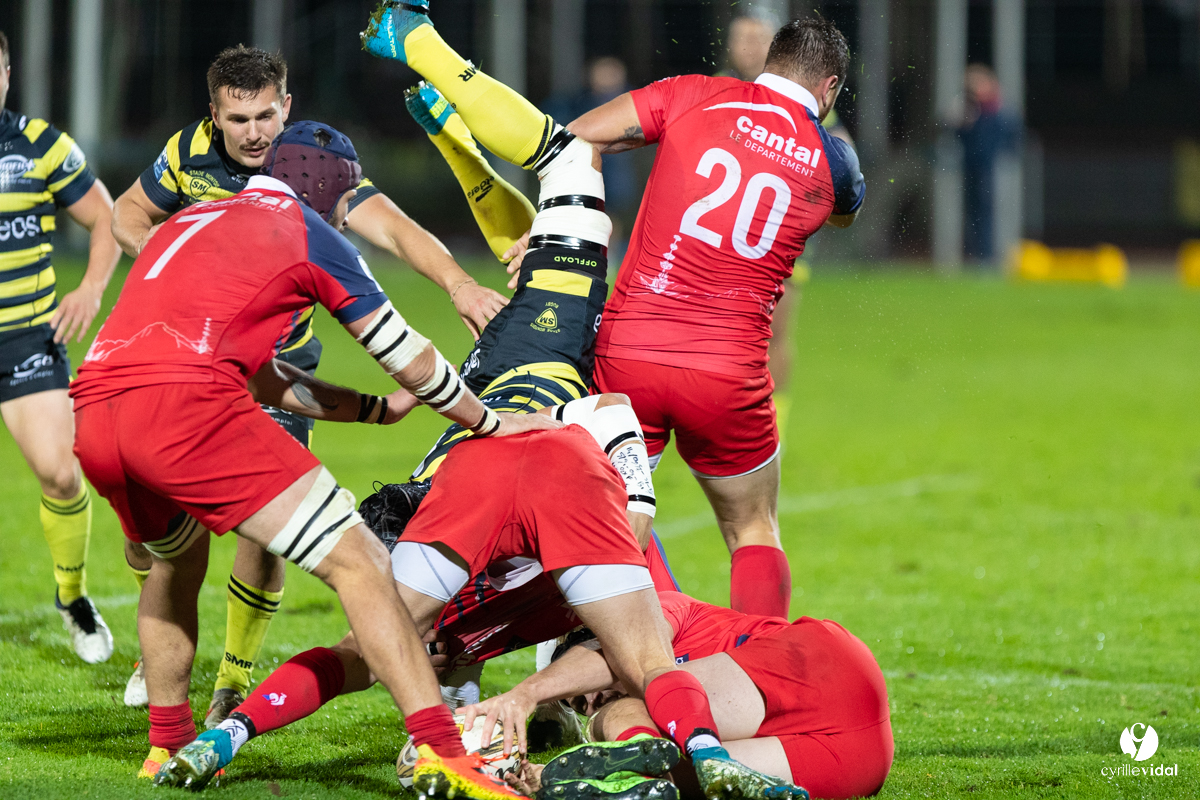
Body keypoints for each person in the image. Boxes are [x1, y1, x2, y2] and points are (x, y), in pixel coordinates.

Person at [72, 120, 556, 796]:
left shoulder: (198, 215)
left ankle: (166, 744)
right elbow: (405, 351)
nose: (346, 214)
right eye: (347, 198)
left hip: (96, 407)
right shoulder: (310, 232)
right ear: (328, 190)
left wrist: (369, 410)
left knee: (175, 560)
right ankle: (444, 752)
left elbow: (266, 378)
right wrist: (486, 420)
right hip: (184, 408)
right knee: (361, 562)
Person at [109, 44, 509, 726]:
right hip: (183, 364)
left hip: (276, 370)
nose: (255, 133)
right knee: (154, 543)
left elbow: (398, 230)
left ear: (286, 108)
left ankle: (233, 678)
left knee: (265, 536)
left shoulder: (310, 165)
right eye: (239, 119)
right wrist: (172, 263)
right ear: (214, 117)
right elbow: (125, 213)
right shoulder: (185, 154)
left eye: (267, 115)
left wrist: (459, 282)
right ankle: (165, 638)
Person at [563, 17, 866, 621]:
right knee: (753, 526)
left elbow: (573, 138)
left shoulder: (694, 94)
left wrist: (560, 238)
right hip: (726, 374)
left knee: (610, 522)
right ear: (830, 88)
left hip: (632, 354)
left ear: (768, 61)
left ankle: (602, 670)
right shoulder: (833, 160)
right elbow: (844, 211)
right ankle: (763, 670)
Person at [483, 591, 892, 800]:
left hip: (822, 664)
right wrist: (555, 778)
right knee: (676, 783)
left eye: (582, 691)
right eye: (577, 703)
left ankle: (637, 752)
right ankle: (626, 767)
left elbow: (613, 653)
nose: (589, 700)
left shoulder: (660, 609)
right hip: (860, 759)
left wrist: (527, 693)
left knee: (626, 703)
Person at [0, 30, 122, 663]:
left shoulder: (41, 144)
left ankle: (70, 594)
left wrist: (91, 289)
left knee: (60, 472)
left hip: (25, 335)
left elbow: (108, 218)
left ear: (8, 72)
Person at [958, 64, 1020, 264]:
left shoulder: (999, 111)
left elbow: (1013, 137)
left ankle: (990, 255)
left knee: (990, 213)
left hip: (994, 169)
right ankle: (976, 255)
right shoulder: (969, 111)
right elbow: (959, 136)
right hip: (973, 168)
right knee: (973, 212)